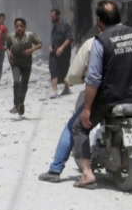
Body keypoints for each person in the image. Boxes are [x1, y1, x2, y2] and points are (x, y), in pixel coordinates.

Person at [72, 0, 132, 189]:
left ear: (99, 21)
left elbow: (93, 78)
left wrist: (86, 109)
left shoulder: (100, 41)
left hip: (110, 98)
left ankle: (86, 174)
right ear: (119, 17)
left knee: (79, 127)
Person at [38, 35, 96, 182]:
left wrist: (73, 80)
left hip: (104, 98)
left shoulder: (93, 43)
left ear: (100, 22)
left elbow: (75, 74)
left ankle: (56, 169)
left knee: (74, 127)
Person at [5, 18, 42, 117]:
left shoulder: (30, 35)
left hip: (26, 64)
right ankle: (16, 104)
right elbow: (7, 45)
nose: (19, 28)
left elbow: (40, 43)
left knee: (24, 85)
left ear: (25, 27)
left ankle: (21, 104)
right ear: (15, 27)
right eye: (17, 26)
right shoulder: (11, 36)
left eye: (21, 26)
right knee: (17, 82)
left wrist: (31, 50)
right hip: (16, 63)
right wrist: (8, 52)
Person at [48, 9, 74, 98]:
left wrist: (62, 48)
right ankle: (55, 91)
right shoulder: (54, 28)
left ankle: (67, 88)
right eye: (51, 17)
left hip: (64, 53)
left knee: (64, 70)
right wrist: (51, 47)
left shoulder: (65, 25)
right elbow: (53, 40)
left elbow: (69, 38)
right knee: (53, 69)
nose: (51, 18)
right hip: (54, 53)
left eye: (53, 17)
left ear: (58, 16)